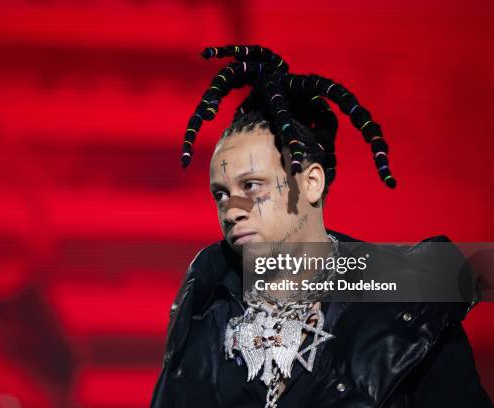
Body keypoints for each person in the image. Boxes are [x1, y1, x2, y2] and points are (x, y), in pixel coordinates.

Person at [150, 45, 492, 407]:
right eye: (220, 195)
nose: (231, 210)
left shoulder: (411, 307)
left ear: (310, 182)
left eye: (251, 186)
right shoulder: (204, 309)